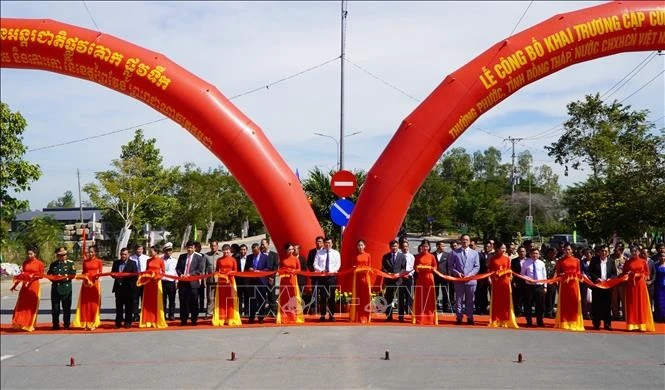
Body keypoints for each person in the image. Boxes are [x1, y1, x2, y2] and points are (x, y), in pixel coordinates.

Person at [448, 234, 480, 325]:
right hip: (459, 279)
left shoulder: (475, 253)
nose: (465, 241)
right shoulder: (454, 252)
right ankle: (459, 317)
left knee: (470, 300)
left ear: (469, 242)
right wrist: (456, 273)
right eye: (463, 240)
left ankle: (470, 317)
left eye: (466, 240)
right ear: (460, 241)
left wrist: (470, 275)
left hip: (471, 280)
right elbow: (450, 266)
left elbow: (477, 267)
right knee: (459, 299)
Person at [621, 247, 655, 332]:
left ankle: (641, 325)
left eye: (636, 251)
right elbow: (624, 273)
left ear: (639, 252)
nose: (634, 252)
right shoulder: (628, 262)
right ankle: (631, 325)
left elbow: (647, 274)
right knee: (631, 304)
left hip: (640, 285)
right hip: (631, 286)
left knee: (641, 304)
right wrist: (628, 274)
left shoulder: (643, 262)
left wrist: (639, 275)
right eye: (632, 251)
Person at [11, 247, 45, 332]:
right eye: (28, 254)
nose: (29, 255)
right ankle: (21, 323)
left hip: (34, 286)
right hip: (25, 286)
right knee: (22, 305)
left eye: (31, 254)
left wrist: (32, 276)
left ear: (35, 254)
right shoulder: (25, 263)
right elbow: (21, 275)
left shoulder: (39, 263)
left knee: (31, 306)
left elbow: (41, 276)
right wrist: (15, 285)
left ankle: (30, 324)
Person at [554, 243, 584, 331]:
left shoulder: (577, 260)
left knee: (574, 302)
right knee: (564, 303)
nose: (567, 251)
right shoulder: (560, 261)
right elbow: (558, 272)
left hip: (574, 284)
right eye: (566, 249)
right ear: (563, 250)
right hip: (564, 284)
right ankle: (564, 322)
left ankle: (575, 322)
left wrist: (575, 275)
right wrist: (563, 274)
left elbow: (579, 272)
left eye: (569, 249)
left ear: (572, 250)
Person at [72, 245, 104, 330]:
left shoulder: (99, 261)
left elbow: (100, 273)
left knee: (93, 304)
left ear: (95, 252)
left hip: (94, 284)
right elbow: (83, 272)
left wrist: (96, 277)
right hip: (86, 285)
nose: (90, 253)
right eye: (89, 252)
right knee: (85, 304)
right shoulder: (85, 262)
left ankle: (93, 323)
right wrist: (83, 277)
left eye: (92, 252)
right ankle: (85, 322)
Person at [487, 242, 518, 328]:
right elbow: (490, 270)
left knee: (505, 301)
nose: (504, 250)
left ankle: (505, 320)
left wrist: (507, 275)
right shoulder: (493, 259)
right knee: (496, 301)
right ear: (497, 249)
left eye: (504, 248)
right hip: (496, 282)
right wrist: (491, 277)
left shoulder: (507, 258)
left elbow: (509, 269)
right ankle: (496, 320)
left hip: (505, 282)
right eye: (502, 248)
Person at [587, 244, 617, 330]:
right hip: (597, 286)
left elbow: (614, 274)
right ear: (599, 252)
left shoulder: (611, 261)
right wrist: (597, 279)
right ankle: (596, 323)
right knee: (596, 305)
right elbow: (590, 271)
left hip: (607, 287)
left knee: (607, 305)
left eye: (605, 251)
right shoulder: (594, 260)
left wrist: (610, 279)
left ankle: (607, 324)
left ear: (608, 253)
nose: (604, 253)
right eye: (602, 251)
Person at [176, 241, 205, 326]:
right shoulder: (182, 256)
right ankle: (183, 320)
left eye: (191, 247)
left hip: (193, 284)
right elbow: (177, 268)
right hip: (183, 283)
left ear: (194, 248)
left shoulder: (199, 257)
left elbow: (199, 270)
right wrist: (181, 274)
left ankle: (194, 320)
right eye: (188, 247)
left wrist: (189, 275)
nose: (189, 249)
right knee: (183, 302)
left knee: (194, 302)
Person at [47, 247, 76, 330]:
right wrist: (53, 278)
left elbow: (73, 274)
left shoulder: (70, 263)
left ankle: (66, 324)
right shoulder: (54, 264)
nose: (63, 257)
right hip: (55, 288)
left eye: (64, 255)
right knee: (55, 308)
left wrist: (63, 278)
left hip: (66, 288)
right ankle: (55, 324)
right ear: (57, 256)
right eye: (60, 255)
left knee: (66, 308)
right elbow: (49, 274)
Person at [213, 244, 242, 326]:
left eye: (227, 250)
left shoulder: (233, 259)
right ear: (222, 251)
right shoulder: (219, 260)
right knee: (221, 300)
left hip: (231, 281)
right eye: (224, 250)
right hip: (221, 282)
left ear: (230, 251)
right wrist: (218, 274)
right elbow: (216, 270)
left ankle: (230, 318)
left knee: (230, 300)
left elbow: (236, 270)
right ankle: (221, 318)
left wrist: (230, 273)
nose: (226, 252)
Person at [138, 246, 167, 328]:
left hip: (156, 282)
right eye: (150, 251)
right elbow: (147, 270)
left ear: (156, 251)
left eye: (152, 251)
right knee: (148, 302)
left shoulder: (161, 260)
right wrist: (144, 275)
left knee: (156, 301)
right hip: (148, 283)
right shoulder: (148, 260)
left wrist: (158, 278)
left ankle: (157, 321)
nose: (151, 253)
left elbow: (163, 272)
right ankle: (147, 321)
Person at [313, 237, 341, 322]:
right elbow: (315, 264)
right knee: (323, 296)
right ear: (324, 244)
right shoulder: (319, 253)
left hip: (332, 277)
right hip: (322, 277)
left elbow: (338, 265)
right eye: (326, 243)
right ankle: (322, 315)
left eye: (329, 243)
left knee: (331, 296)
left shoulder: (336, 253)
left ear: (332, 243)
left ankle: (332, 315)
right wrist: (321, 270)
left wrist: (331, 271)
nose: (327, 244)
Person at [276, 243, 304, 324]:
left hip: (292, 279)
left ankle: (293, 317)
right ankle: (284, 317)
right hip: (284, 280)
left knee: (293, 297)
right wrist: (283, 271)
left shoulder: (296, 259)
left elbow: (299, 269)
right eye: (289, 249)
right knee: (284, 298)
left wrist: (293, 271)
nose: (291, 251)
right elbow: (279, 269)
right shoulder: (282, 259)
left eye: (292, 249)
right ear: (286, 250)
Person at [412, 240, 438, 325]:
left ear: (429, 247)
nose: (425, 248)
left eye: (426, 246)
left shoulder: (432, 256)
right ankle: (420, 317)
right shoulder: (418, 257)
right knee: (420, 298)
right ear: (421, 247)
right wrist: (418, 268)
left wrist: (430, 268)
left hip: (429, 278)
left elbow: (435, 267)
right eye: (423, 246)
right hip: (420, 279)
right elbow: (415, 267)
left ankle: (430, 317)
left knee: (429, 298)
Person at [111, 247, 138, 328]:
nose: (123, 256)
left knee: (128, 306)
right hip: (118, 288)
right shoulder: (116, 263)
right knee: (119, 306)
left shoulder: (132, 263)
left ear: (128, 255)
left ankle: (128, 322)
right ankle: (118, 322)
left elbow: (135, 275)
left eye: (125, 254)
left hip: (128, 288)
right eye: (122, 254)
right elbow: (112, 273)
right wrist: (115, 276)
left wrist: (126, 276)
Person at [381, 240, 407, 322]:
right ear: (390, 247)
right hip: (389, 280)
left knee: (400, 298)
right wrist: (388, 273)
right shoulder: (386, 256)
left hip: (399, 280)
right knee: (388, 298)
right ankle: (389, 316)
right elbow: (383, 268)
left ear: (398, 246)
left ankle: (401, 316)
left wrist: (399, 274)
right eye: (392, 246)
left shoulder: (402, 256)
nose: (394, 248)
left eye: (395, 246)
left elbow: (404, 268)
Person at [521, 247, 547, 328]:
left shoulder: (542, 263)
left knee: (540, 305)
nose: (535, 255)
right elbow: (522, 274)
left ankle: (540, 321)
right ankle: (529, 321)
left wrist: (545, 287)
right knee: (528, 304)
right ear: (530, 254)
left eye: (536, 253)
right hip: (529, 286)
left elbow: (544, 275)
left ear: (539, 254)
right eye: (533, 253)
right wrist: (527, 279)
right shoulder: (526, 263)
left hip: (539, 286)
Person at [246, 243, 271, 324]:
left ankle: (261, 317)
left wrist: (260, 272)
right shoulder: (249, 257)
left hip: (261, 281)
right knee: (252, 300)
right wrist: (249, 269)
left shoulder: (265, 257)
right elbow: (246, 267)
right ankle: (251, 317)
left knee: (261, 300)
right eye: (253, 251)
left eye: (256, 251)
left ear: (259, 249)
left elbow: (268, 268)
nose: (254, 253)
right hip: (252, 282)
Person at [350, 240, 373, 324]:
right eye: (358, 245)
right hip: (357, 278)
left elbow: (370, 267)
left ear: (364, 246)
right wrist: (356, 268)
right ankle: (356, 316)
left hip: (365, 278)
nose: (360, 247)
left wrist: (364, 269)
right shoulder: (355, 256)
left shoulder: (368, 255)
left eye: (361, 245)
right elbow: (353, 267)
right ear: (357, 247)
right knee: (357, 297)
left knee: (365, 296)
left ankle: (365, 316)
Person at [130, 245, 149, 322]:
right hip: (135, 281)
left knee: (144, 298)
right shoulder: (131, 258)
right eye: (138, 249)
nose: (139, 250)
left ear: (143, 250)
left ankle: (144, 314)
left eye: (141, 249)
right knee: (135, 299)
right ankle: (135, 315)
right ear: (135, 250)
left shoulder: (147, 258)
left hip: (144, 281)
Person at [306, 236, 325, 315]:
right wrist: (313, 271)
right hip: (315, 276)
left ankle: (323, 309)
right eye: (317, 241)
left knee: (323, 293)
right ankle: (314, 309)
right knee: (314, 292)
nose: (318, 243)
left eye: (320, 241)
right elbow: (309, 263)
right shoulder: (312, 252)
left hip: (323, 276)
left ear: (323, 243)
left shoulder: (325, 251)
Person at [204, 241, 222, 319]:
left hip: (221, 280)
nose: (213, 247)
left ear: (217, 246)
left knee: (220, 297)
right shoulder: (206, 256)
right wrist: (204, 280)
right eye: (212, 246)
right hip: (210, 280)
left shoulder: (221, 255)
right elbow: (204, 269)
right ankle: (209, 313)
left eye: (214, 246)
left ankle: (219, 313)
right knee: (210, 297)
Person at [610, 243, 627, 320]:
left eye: (620, 248)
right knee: (614, 300)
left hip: (623, 283)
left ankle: (625, 315)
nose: (619, 250)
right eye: (617, 248)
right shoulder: (611, 258)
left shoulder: (626, 259)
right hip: (614, 282)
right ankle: (615, 315)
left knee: (624, 300)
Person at [432, 241, 450, 313]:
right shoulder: (432, 254)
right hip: (435, 276)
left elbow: (449, 266)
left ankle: (445, 307)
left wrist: (448, 275)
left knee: (445, 292)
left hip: (444, 276)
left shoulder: (447, 255)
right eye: (442, 246)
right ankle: (434, 307)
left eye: (443, 246)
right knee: (435, 292)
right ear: (437, 246)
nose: (443, 247)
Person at [475, 241, 492, 315]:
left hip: (491, 277)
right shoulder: (479, 255)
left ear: (491, 247)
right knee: (481, 293)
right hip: (481, 277)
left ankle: (491, 309)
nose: (486, 247)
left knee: (492, 293)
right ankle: (481, 309)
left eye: (488, 246)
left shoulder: (493, 255)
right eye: (485, 246)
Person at [161, 242, 178, 321]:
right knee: (163, 300)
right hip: (163, 282)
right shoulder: (160, 260)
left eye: (170, 250)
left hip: (171, 282)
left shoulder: (175, 260)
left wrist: (176, 282)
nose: (169, 252)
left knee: (172, 300)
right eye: (167, 250)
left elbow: (176, 272)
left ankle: (171, 314)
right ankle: (163, 314)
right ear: (164, 251)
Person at [235, 244, 251, 317]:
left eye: (244, 249)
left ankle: (247, 312)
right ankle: (239, 312)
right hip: (238, 281)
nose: (243, 251)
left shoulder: (249, 258)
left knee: (247, 297)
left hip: (247, 281)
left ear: (246, 250)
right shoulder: (236, 259)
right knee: (239, 297)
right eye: (241, 249)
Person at [510, 246, 527, 317]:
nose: (522, 253)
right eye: (520, 251)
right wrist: (513, 281)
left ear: (525, 252)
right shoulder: (514, 261)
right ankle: (518, 312)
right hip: (517, 282)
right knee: (517, 298)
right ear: (518, 252)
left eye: (523, 251)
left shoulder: (528, 260)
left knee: (526, 298)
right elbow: (512, 272)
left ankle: (526, 312)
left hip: (527, 282)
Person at [653, 251, 665, 323]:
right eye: (661, 256)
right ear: (659, 257)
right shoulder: (655, 265)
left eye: (664, 256)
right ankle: (659, 317)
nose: (662, 258)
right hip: (658, 286)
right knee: (659, 302)